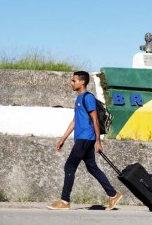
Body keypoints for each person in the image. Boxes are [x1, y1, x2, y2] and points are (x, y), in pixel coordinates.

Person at [47, 71, 122, 211]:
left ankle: (64, 200)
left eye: (74, 80)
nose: (72, 83)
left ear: (82, 82)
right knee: (92, 167)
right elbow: (75, 120)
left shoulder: (88, 98)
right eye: (72, 80)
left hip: (86, 138)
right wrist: (63, 139)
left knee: (69, 166)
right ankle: (113, 195)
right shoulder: (79, 98)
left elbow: (95, 119)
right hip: (82, 138)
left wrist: (98, 142)